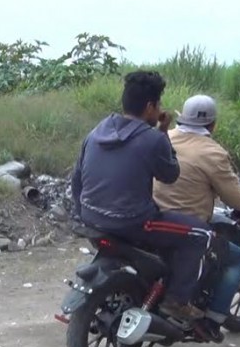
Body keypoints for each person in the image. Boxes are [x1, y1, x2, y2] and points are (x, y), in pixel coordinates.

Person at [70, 71, 212, 322]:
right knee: (202, 234)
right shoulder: (153, 139)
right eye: (158, 104)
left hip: (90, 217)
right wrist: (163, 132)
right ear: (151, 107)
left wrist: (84, 212)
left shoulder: (95, 133)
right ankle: (176, 301)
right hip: (133, 222)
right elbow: (170, 175)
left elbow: (77, 179)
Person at [153, 94, 240, 342]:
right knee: (238, 257)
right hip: (186, 226)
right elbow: (239, 200)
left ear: (181, 118)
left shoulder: (164, 137)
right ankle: (212, 321)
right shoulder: (213, 153)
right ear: (213, 125)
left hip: (152, 217)